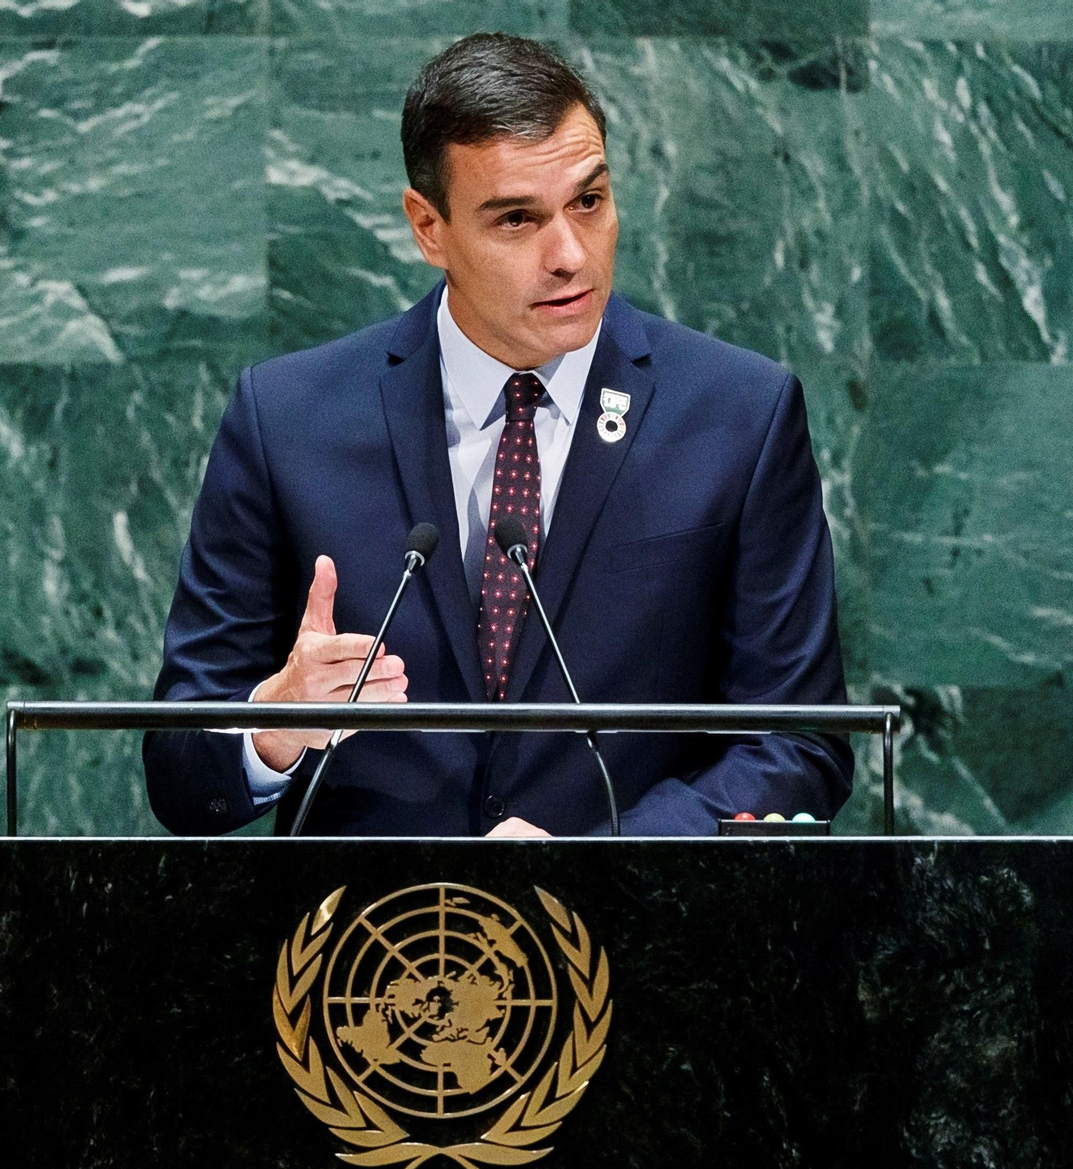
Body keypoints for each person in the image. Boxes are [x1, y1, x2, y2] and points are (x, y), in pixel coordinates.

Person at [143, 33, 852, 836]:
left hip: (640, 942)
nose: (570, 254)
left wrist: (610, 858)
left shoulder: (739, 415)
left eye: (589, 200)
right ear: (428, 227)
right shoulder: (286, 419)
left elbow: (800, 741)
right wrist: (270, 726)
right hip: (365, 946)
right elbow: (178, 774)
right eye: (517, 218)